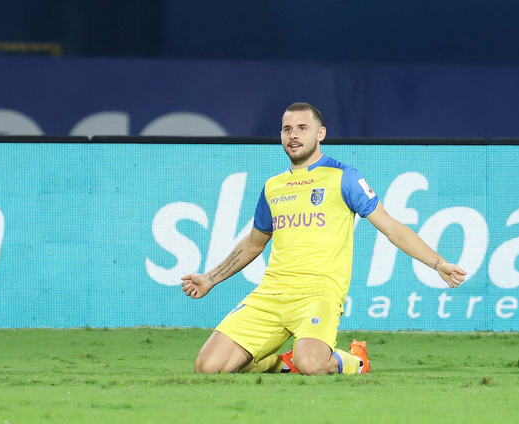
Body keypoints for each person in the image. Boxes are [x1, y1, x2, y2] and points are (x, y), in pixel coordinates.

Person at [182, 102, 466, 375]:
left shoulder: (343, 177)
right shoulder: (273, 187)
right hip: (271, 293)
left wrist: (438, 263)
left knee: (311, 364)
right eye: (287, 129)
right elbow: (253, 243)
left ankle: (355, 361)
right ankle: (280, 364)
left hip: (319, 294)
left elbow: (391, 227)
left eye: (302, 128)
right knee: (207, 367)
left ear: (321, 134)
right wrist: (210, 278)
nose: (293, 135)